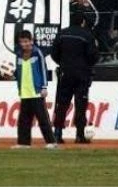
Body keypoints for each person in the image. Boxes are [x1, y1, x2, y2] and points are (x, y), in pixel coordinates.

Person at [51, 12, 99, 144]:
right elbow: (93, 56)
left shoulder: (62, 33)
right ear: (83, 22)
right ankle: (79, 135)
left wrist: (63, 63)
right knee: (81, 104)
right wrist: (87, 65)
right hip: (82, 74)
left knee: (62, 104)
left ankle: (57, 134)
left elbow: (54, 53)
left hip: (65, 73)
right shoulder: (87, 35)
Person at [13, 30, 57, 149]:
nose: (24, 44)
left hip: (36, 91)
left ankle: (51, 142)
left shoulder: (37, 53)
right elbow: (18, 72)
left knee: (43, 118)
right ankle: (23, 143)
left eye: (26, 41)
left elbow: (43, 69)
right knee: (24, 120)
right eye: (22, 42)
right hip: (25, 92)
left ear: (31, 41)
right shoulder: (19, 55)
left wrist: (44, 87)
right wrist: (12, 76)